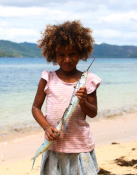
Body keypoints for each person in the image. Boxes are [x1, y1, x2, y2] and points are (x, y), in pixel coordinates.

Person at [32, 20, 101, 175]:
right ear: (53, 55)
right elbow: (35, 107)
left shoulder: (89, 79)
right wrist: (46, 127)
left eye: (72, 54)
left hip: (80, 147)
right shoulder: (47, 77)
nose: (67, 59)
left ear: (81, 53)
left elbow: (93, 112)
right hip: (54, 146)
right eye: (61, 55)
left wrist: (82, 102)